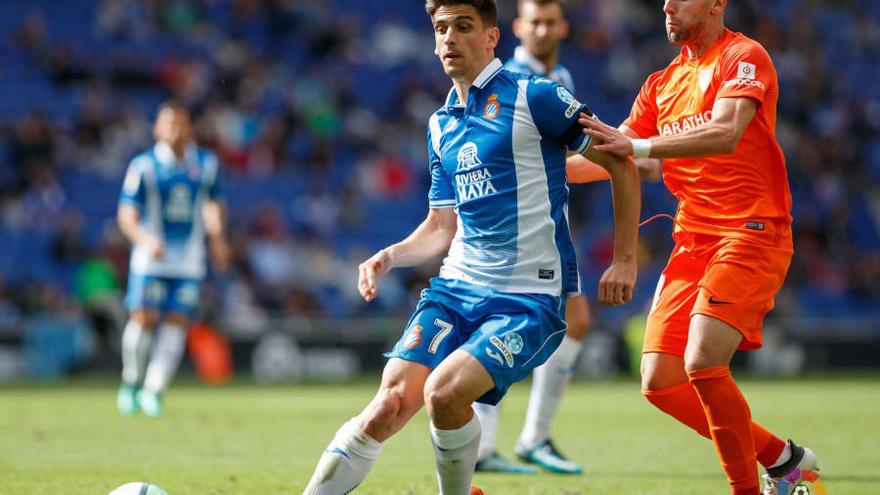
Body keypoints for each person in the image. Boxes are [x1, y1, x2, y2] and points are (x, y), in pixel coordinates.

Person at [301, 1, 641, 494]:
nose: (449, 38)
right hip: (457, 288)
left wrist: (625, 258)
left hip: (527, 300)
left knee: (443, 394)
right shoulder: (441, 123)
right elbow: (441, 226)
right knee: (389, 404)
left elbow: (621, 164)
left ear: (491, 37)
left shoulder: (537, 96)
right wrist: (391, 255)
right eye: (441, 28)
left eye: (463, 26)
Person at [572, 1, 819, 494]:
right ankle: (783, 458)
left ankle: (753, 490)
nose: (666, 5)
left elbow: (726, 132)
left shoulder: (743, 56)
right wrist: (528, 174)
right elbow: (612, 156)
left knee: (702, 360)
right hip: (693, 240)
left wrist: (639, 149)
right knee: (660, 382)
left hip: (750, 231)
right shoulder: (660, 84)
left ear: (715, 3)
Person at [471, 0, 585, 475]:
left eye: (548, 21)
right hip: (520, 225)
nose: (540, 28)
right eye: (532, 21)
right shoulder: (517, 82)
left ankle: (505, 441)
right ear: (516, 27)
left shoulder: (563, 81)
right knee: (545, 323)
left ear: (562, 26)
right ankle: (522, 439)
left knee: (568, 322)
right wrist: (622, 162)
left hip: (547, 219)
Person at [115, 102, 229, 418]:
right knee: (144, 318)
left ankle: (154, 390)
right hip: (150, 260)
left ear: (191, 128)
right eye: (168, 124)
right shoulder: (143, 166)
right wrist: (144, 238)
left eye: (180, 124)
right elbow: (126, 214)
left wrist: (218, 240)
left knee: (177, 322)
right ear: (156, 129)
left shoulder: (206, 164)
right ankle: (131, 383)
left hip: (188, 261)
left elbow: (212, 205)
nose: (175, 130)